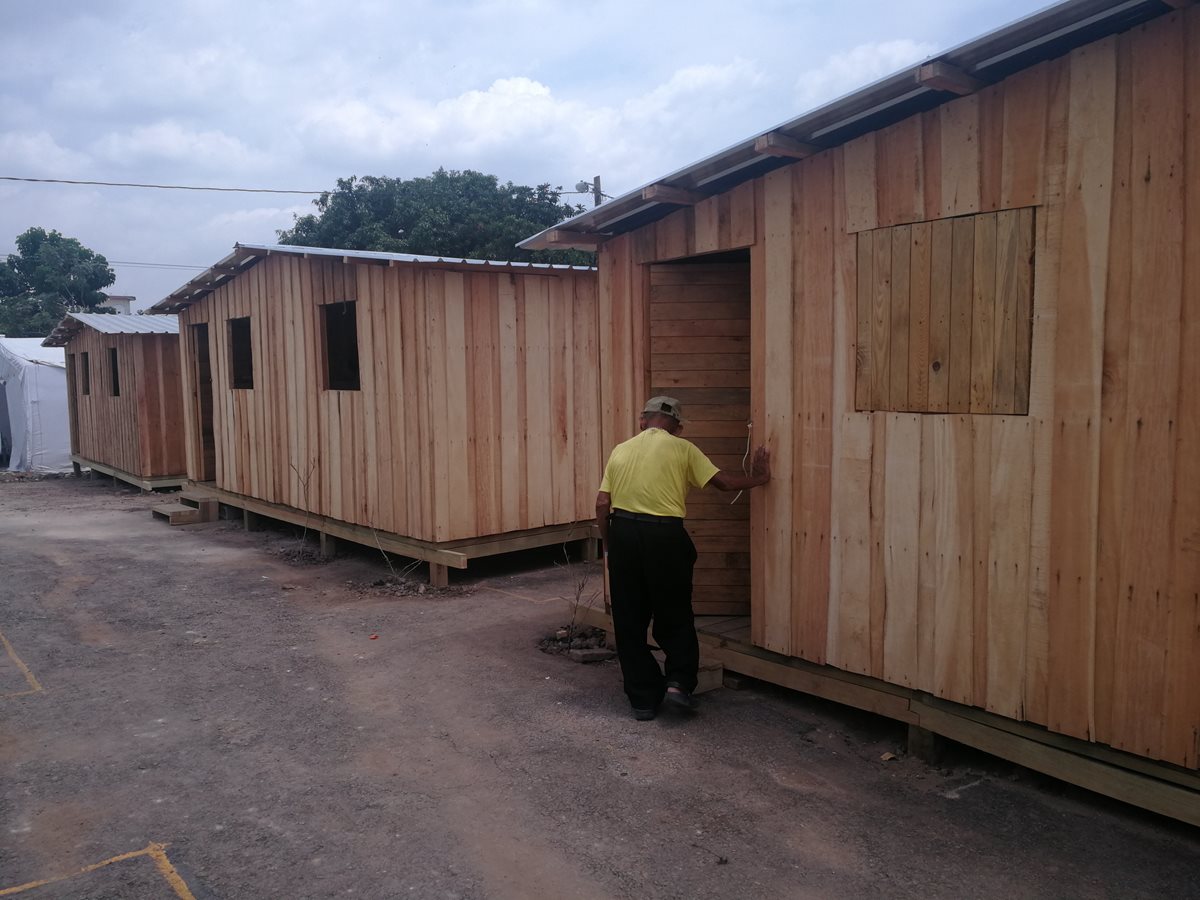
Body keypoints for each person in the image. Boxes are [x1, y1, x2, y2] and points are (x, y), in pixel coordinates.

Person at [596, 395, 770, 721]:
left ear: (642, 421)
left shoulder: (621, 449)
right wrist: (759, 479)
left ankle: (643, 700)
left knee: (629, 618)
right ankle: (677, 684)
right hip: (665, 536)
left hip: (623, 533)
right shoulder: (684, 448)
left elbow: (602, 503)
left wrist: (609, 545)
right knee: (674, 610)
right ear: (678, 427)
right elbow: (723, 483)